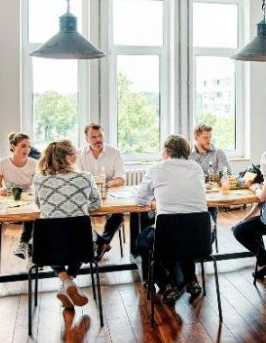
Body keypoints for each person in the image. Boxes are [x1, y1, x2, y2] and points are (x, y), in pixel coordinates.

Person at [135, 135, 209, 303]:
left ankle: (166, 284)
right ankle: (191, 280)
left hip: (169, 240)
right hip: (200, 240)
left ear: (166, 152)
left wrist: (156, 197)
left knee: (142, 241)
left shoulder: (157, 169)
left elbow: (140, 200)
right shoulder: (196, 168)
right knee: (184, 233)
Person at [34, 140, 103, 309]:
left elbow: (39, 205)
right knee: (81, 235)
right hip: (81, 243)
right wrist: (80, 206)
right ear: (69, 157)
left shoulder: (39, 179)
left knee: (48, 239)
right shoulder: (85, 177)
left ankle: (66, 283)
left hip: (48, 246)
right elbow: (96, 203)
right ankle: (69, 282)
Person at [75, 123, 126, 260]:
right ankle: (101, 243)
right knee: (77, 216)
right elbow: (77, 179)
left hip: (108, 194)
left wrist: (104, 184)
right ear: (87, 138)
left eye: (100, 136)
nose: (98, 140)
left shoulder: (114, 153)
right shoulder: (79, 154)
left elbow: (120, 179)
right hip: (87, 196)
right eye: (93, 137)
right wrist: (93, 187)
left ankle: (102, 242)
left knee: (118, 215)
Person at [233, 134, 266, 283]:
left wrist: (255, 187)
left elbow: (262, 197)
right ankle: (263, 265)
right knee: (252, 225)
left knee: (239, 231)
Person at [0, 132, 38, 259]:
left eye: (29, 146)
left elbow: (37, 186)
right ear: (13, 147)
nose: (27, 149)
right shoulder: (1, 163)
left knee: (33, 212)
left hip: (28, 200)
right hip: (10, 201)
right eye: (23, 146)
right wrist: (1, 190)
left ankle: (25, 245)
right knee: (32, 214)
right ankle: (30, 249)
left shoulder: (34, 163)